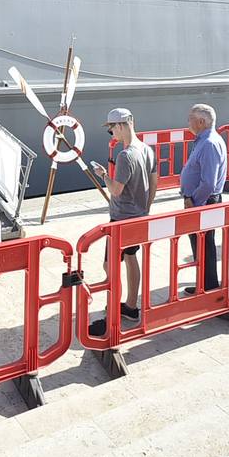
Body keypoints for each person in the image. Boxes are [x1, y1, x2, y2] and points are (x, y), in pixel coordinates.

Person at [88, 108, 158, 336]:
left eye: (111, 129)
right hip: (137, 215)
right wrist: (145, 210)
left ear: (120, 125)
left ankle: (113, 314)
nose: (111, 134)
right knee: (130, 258)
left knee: (110, 266)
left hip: (120, 219)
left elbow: (116, 190)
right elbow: (154, 183)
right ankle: (130, 306)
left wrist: (103, 175)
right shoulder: (147, 149)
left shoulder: (125, 155)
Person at [178, 104, 227, 293]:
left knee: (204, 244)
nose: (187, 121)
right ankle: (205, 284)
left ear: (201, 121)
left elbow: (208, 182)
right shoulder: (205, 141)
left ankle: (208, 287)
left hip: (203, 201)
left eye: (190, 118)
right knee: (201, 245)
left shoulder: (209, 143)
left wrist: (193, 201)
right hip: (202, 200)